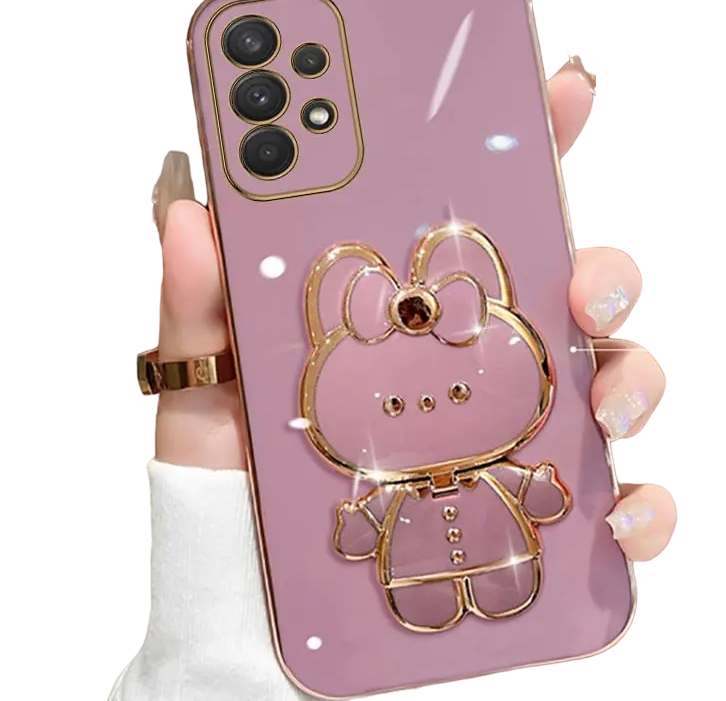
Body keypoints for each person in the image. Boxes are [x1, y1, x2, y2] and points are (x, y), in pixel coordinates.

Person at [109, 58, 677, 701]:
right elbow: (358, 536)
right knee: (426, 597)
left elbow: (544, 503)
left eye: (457, 392)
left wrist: (548, 484)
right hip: (410, 574)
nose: (429, 403)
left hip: (503, 555)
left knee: (509, 581)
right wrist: (221, 644)